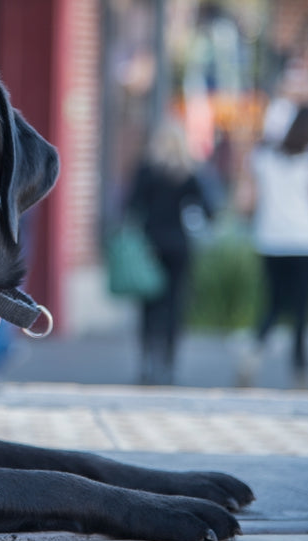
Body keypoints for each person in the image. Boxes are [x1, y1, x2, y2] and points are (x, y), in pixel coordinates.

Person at [235, 105, 308, 388]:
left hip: (271, 240)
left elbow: (246, 202)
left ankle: (252, 356)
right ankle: (300, 373)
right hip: (307, 242)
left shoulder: (264, 159)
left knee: (273, 304)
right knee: (302, 310)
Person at [127, 120, 215, 385]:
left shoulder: (146, 171)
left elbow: (131, 205)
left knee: (148, 306)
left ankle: (147, 364)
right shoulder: (189, 173)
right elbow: (208, 209)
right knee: (175, 305)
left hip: (149, 245)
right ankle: (170, 365)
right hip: (179, 246)